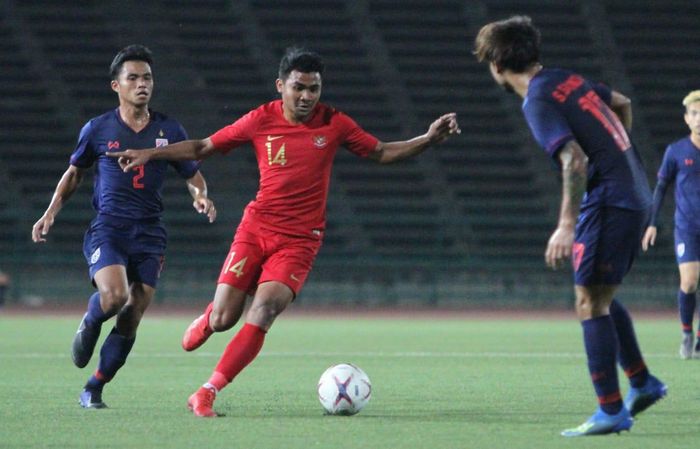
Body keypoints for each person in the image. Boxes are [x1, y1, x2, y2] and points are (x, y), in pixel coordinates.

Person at [109, 46, 460, 417]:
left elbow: (382, 152)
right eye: (299, 88)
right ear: (281, 86)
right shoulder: (261, 119)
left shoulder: (335, 123)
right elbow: (203, 146)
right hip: (256, 228)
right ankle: (212, 316)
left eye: (314, 89)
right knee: (225, 319)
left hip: (300, 239)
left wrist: (428, 139)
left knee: (263, 311)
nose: (307, 96)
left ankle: (207, 391)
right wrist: (150, 153)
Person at [474, 16, 666, 437]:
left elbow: (574, 159)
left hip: (611, 202)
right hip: (633, 193)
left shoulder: (537, 101)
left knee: (588, 302)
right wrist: (618, 160)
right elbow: (623, 103)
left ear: (496, 64)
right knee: (600, 294)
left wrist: (565, 225)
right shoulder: (565, 79)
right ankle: (642, 382)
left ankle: (612, 410)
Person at [31, 44, 217, 409]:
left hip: (150, 232)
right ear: (116, 85)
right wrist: (50, 212)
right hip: (109, 228)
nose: (141, 84)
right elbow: (75, 174)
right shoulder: (98, 129)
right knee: (115, 297)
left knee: (132, 314)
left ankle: (94, 387)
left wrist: (200, 195)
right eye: (132, 78)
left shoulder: (169, 128)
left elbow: (193, 173)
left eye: (146, 77)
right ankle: (91, 318)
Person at [642, 90, 700, 359]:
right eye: (694, 114)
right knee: (689, 282)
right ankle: (687, 332)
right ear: (686, 118)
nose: (699, 119)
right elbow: (661, 186)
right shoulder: (676, 151)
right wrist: (652, 223)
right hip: (687, 226)